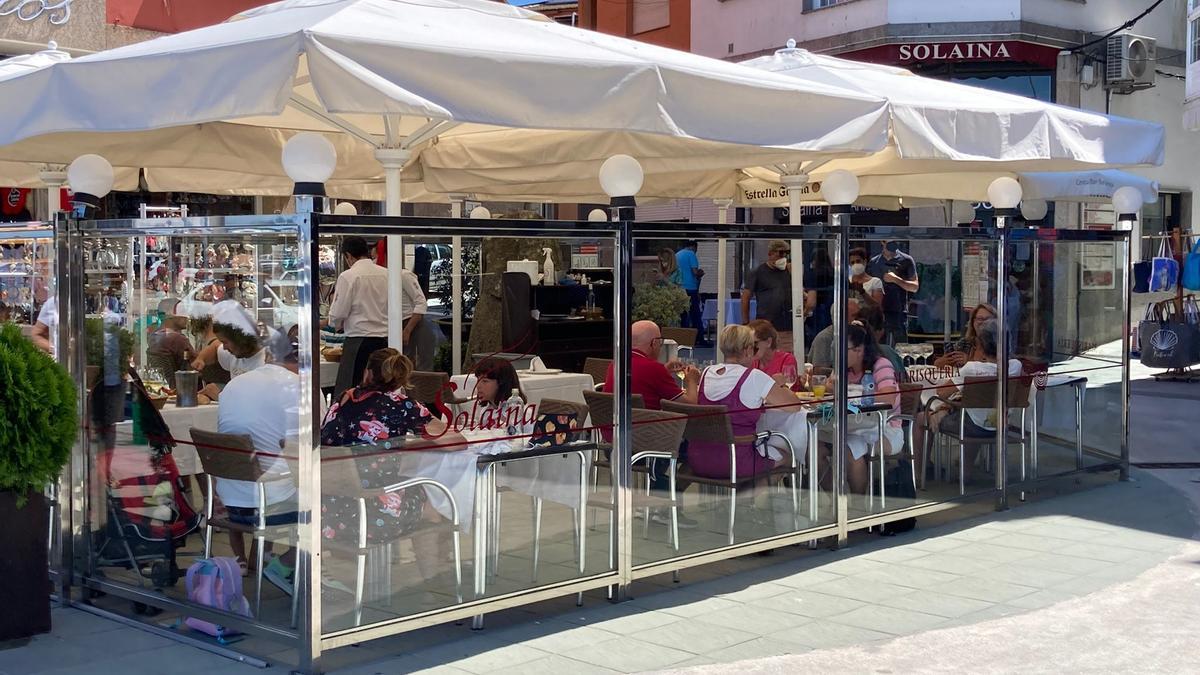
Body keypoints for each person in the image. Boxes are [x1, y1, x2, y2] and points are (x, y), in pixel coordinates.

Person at [320, 348, 467, 586]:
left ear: (367, 373)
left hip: (327, 512)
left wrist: (400, 444)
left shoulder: (343, 399)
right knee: (432, 502)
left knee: (410, 493)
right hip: (374, 513)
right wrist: (417, 442)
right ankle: (434, 581)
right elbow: (455, 442)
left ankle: (428, 579)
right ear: (400, 380)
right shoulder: (401, 405)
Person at [213, 330, 303, 587]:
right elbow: (311, 445)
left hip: (230, 503)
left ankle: (264, 558)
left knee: (275, 467)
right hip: (267, 506)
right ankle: (288, 563)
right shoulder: (300, 387)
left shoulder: (234, 385)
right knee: (330, 500)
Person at [689, 324, 805, 481]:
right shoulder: (754, 377)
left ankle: (741, 500)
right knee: (787, 455)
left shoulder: (706, 373)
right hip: (737, 460)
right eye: (754, 348)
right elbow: (794, 406)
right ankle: (753, 501)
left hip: (699, 458)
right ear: (747, 350)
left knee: (763, 453)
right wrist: (780, 384)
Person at [916, 320, 1022, 483]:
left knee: (921, 418)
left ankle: (919, 471)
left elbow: (941, 392)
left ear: (981, 345)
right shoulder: (1015, 366)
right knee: (975, 413)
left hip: (973, 426)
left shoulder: (971, 369)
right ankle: (966, 472)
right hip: (1000, 424)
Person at [829, 323, 903, 494]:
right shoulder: (843, 368)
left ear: (859, 350)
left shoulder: (880, 364)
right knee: (816, 445)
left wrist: (856, 394)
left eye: (842, 348)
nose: (838, 353)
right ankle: (831, 499)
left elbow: (889, 398)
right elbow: (830, 388)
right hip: (853, 426)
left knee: (849, 448)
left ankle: (858, 504)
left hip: (885, 428)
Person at [328, 236, 389, 400]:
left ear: (348, 256)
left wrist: (334, 323)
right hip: (385, 340)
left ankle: (351, 424)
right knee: (382, 388)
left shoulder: (348, 276)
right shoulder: (386, 274)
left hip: (358, 341)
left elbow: (339, 312)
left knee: (351, 389)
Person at [602, 320, 699, 410]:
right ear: (654, 343)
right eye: (660, 342)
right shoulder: (654, 369)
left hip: (614, 425)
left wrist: (664, 370)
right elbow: (690, 407)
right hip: (648, 426)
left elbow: (642, 379)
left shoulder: (616, 364)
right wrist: (692, 381)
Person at [742, 240, 793, 351]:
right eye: (780, 253)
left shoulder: (789, 271)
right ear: (770, 254)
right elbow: (746, 297)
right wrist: (746, 322)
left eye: (786, 253)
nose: (783, 256)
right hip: (765, 323)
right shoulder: (758, 272)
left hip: (787, 325)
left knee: (787, 354)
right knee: (765, 354)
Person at [867, 240, 919, 346]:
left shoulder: (906, 260)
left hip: (899, 312)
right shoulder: (874, 262)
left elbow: (914, 287)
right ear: (882, 242)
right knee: (879, 347)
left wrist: (896, 280)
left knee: (901, 349)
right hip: (879, 312)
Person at [936, 303, 996, 369]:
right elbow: (942, 364)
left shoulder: (999, 346)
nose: (984, 322)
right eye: (980, 319)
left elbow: (995, 369)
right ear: (973, 322)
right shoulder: (965, 343)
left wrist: (969, 362)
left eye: (988, 319)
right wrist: (941, 362)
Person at [808, 295, 861, 369]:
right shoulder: (825, 338)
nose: (859, 319)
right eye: (855, 316)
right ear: (841, 319)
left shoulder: (859, 336)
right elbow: (819, 371)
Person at [146, 298, 193, 377]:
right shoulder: (177, 339)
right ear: (170, 315)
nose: (187, 316)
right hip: (181, 386)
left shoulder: (154, 335)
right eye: (182, 311)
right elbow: (197, 364)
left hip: (165, 385)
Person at [748, 319, 800, 383]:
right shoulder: (752, 362)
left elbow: (790, 389)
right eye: (747, 344)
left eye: (754, 343)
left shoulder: (786, 359)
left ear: (768, 342)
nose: (750, 348)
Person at [675, 241, 705, 342]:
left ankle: (684, 338)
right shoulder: (691, 254)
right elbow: (695, 272)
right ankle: (699, 338)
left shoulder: (677, 255)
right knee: (695, 313)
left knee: (683, 315)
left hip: (679, 288)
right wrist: (700, 273)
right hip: (691, 288)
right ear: (694, 247)